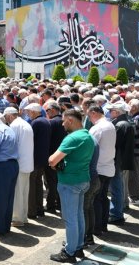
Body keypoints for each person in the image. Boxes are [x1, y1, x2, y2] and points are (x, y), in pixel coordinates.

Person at [48, 108, 94, 263]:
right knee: (78, 215)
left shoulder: (72, 138)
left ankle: (69, 251)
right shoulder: (87, 135)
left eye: (63, 120)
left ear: (71, 120)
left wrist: (52, 162)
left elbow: (53, 160)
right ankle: (78, 245)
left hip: (70, 182)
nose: (62, 124)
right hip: (83, 179)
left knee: (70, 218)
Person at [87, 105, 115, 236]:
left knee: (97, 199)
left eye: (88, 115)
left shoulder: (98, 127)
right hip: (108, 166)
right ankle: (102, 225)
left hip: (99, 168)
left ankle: (97, 227)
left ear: (93, 113)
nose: (88, 118)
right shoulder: (109, 125)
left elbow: (90, 147)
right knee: (103, 198)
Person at [106, 101, 134, 225]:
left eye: (111, 110)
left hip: (117, 161)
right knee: (118, 187)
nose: (109, 112)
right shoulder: (125, 122)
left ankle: (116, 214)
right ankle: (117, 212)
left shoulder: (120, 124)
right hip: (121, 160)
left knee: (116, 188)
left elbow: (114, 144)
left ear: (117, 112)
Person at [7, 106, 34, 227]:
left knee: (18, 192)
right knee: (23, 191)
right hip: (27, 163)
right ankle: (23, 216)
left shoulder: (15, 125)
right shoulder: (24, 123)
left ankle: (18, 218)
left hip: (20, 163)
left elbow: (12, 145)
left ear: (10, 115)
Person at [25, 103, 50, 219]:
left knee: (32, 185)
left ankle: (32, 211)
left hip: (35, 159)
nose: (28, 114)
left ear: (34, 112)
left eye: (29, 112)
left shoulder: (36, 122)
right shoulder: (45, 121)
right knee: (38, 184)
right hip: (42, 158)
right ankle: (39, 209)